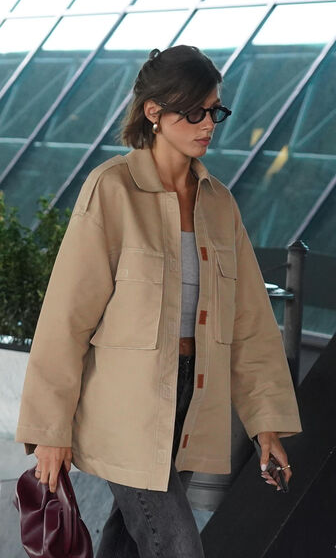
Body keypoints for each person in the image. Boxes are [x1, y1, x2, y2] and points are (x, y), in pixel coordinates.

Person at [15, 45, 303, 557]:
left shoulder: (220, 203)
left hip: (193, 403)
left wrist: (266, 425)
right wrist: (49, 430)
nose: (208, 124)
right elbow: (67, 317)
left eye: (214, 111)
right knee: (176, 546)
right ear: (154, 111)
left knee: (129, 542)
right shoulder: (112, 189)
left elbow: (251, 324)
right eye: (194, 112)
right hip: (126, 409)